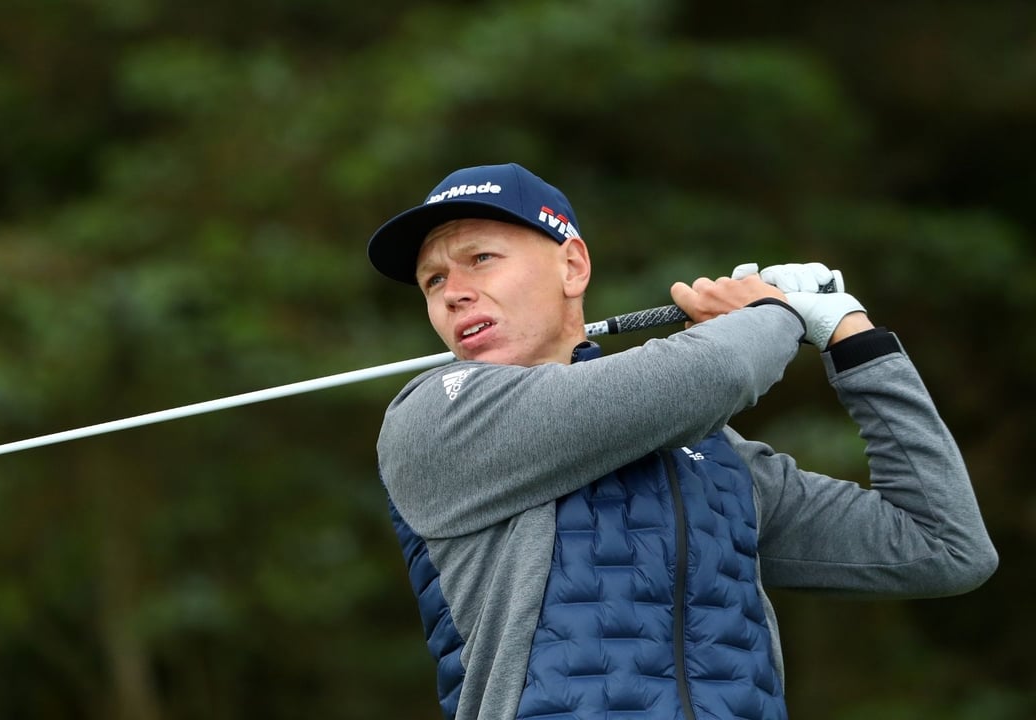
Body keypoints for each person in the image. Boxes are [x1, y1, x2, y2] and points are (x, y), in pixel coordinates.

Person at [365, 162, 998, 720]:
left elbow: (944, 547)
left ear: (572, 264)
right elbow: (710, 373)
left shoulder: (713, 456)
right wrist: (776, 312)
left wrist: (853, 337)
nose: (455, 292)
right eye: (432, 281)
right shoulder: (437, 416)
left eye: (480, 259)